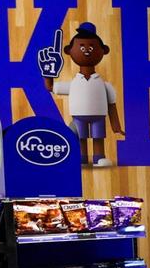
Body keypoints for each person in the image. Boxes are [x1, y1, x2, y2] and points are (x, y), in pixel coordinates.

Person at [38, 23, 122, 166]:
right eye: (82, 47)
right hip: (78, 118)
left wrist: (116, 126)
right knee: (80, 137)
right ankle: (82, 158)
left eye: (91, 47)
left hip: (99, 117)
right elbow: (51, 87)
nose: (87, 51)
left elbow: (112, 106)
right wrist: (48, 73)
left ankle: (98, 157)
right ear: (69, 51)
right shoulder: (74, 83)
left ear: (104, 50)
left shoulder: (104, 85)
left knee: (98, 136)